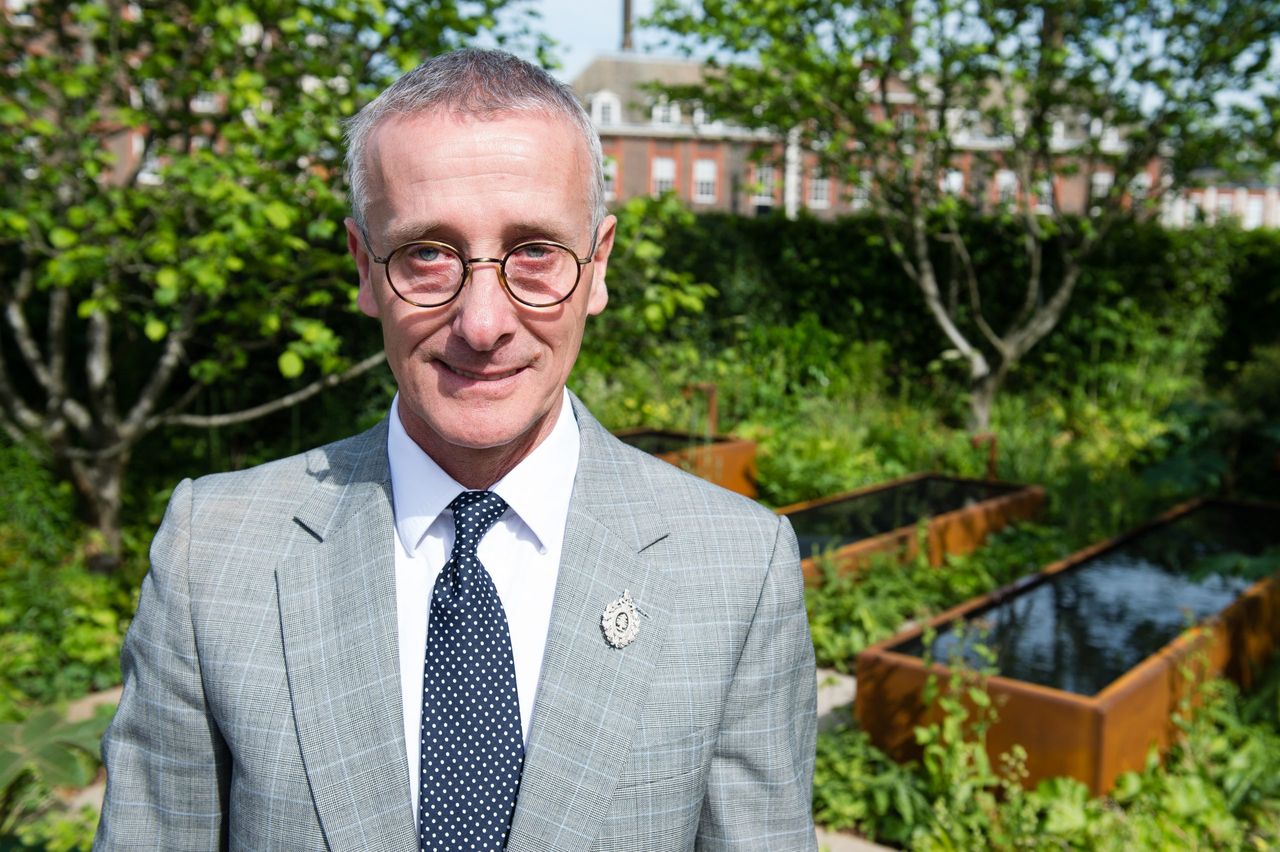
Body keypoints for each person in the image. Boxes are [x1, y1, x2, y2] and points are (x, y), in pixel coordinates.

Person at [94, 48, 816, 851]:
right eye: (427, 254)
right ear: (366, 269)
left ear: (599, 265)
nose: (483, 323)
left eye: (535, 252)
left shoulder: (736, 568)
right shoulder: (215, 556)